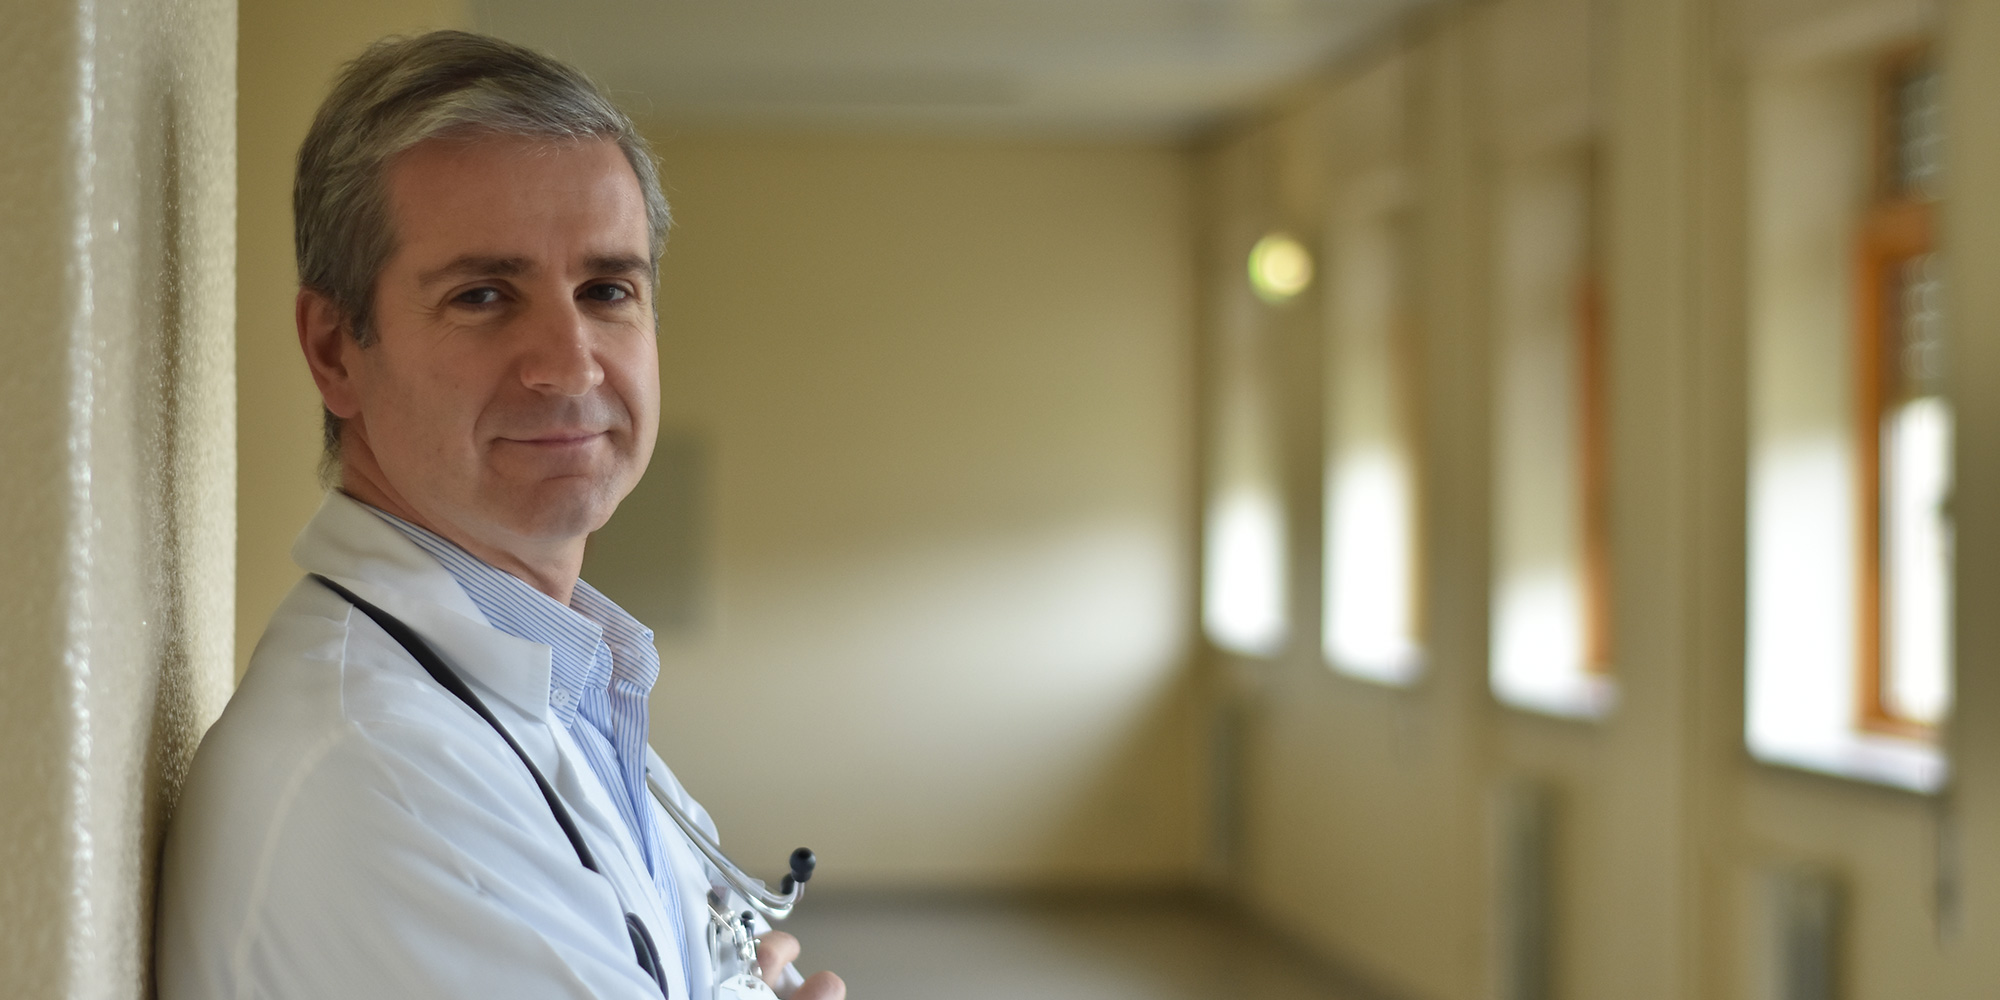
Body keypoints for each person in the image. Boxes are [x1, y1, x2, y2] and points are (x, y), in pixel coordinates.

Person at [157, 31, 844, 1000]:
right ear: (334, 350)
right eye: (482, 295)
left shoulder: (560, 678)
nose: (569, 363)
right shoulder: (380, 777)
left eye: (607, 289)